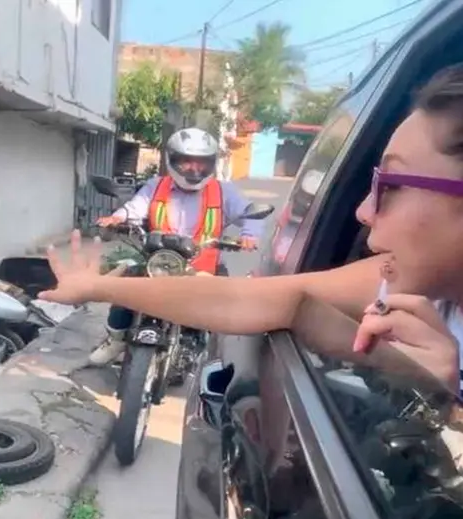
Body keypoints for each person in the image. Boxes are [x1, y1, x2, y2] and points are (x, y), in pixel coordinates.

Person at [41, 63, 463, 398]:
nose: (363, 211)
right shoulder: (397, 285)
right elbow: (243, 298)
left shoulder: (225, 192)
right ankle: (116, 338)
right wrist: (96, 288)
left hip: (203, 253)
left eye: (390, 185)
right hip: (164, 255)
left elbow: (244, 233)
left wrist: (446, 410)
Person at [88, 127, 264, 368]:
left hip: (201, 266)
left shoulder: (224, 191)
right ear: (172, 160)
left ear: (211, 163)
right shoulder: (155, 185)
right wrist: (117, 219)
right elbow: (135, 206)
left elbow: (250, 213)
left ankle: (206, 352)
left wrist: (249, 235)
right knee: (124, 289)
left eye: (201, 164)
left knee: (220, 307)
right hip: (159, 260)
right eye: (186, 162)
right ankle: (116, 339)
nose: (194, 169)